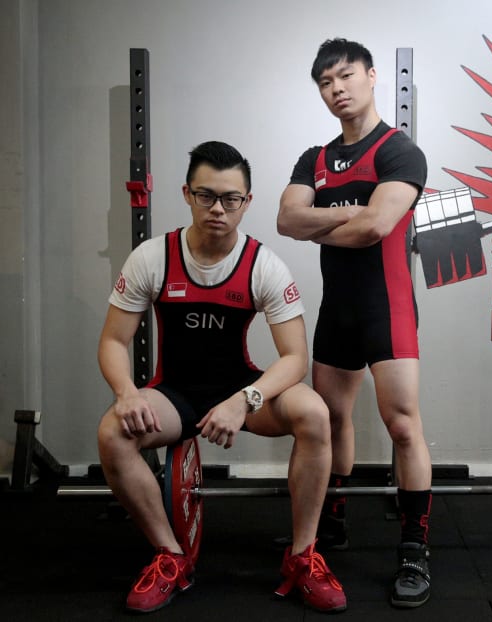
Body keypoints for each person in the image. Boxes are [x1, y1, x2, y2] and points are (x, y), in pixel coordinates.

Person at [96, 141, 346, 614]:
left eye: (231, 199)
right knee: (112, 432)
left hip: (240, 388)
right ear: (187, 194)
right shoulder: (152, 257)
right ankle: (170, 557)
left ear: (246, 203)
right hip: (175, 395)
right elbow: (113, 341)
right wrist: (127, 393)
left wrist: (245, 400)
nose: (218, 208)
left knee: (314, 412)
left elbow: (294, 358)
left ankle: (302, 557)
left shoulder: (263, 265)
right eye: (206, 195)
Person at [277, 38, 432, 608]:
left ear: (371, 76)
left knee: (403, 426)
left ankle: (414, 549)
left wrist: (323, 220)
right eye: (325, 82)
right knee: (332, 419)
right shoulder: (313, 159)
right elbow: (284, 219)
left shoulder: (399, 152)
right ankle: (331, 522)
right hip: (337, 308)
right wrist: (349, 213)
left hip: (385, 307)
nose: (336, 89)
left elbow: (375, 229)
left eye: (345, 76)